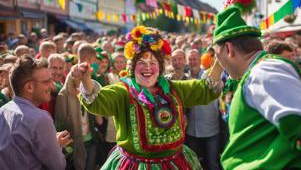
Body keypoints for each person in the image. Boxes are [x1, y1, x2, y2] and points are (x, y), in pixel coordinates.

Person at [72, 26, 224, 169]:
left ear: (160, 67)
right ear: (132, 66)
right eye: (141, 62)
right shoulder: (123, 91)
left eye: (153, 62)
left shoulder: (173, 88)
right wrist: (86, 79)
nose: (147, 68)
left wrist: (220, 61)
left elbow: (205, 89)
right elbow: (98, 101)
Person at [212, 6, 301, 169]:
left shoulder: (263, 72)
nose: (218, 62)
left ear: (228, 49)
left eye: (216, 54)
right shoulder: (258, 71)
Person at [0, 55, 71, 169]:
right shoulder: (40, 119)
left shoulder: (3, 110)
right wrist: (55, 146)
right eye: (46, 81)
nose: (51, 86)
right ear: (29, 87)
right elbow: (58, 166)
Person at [185, 49, 222, 170]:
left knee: (213, 164)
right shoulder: (183, 78)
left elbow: (218, 87)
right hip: (191, 131)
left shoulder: (208, 75)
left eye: (194, 59)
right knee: (193, 165)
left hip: (211, 130)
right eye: (190, 59)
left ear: (200, 59)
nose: (192, 62)